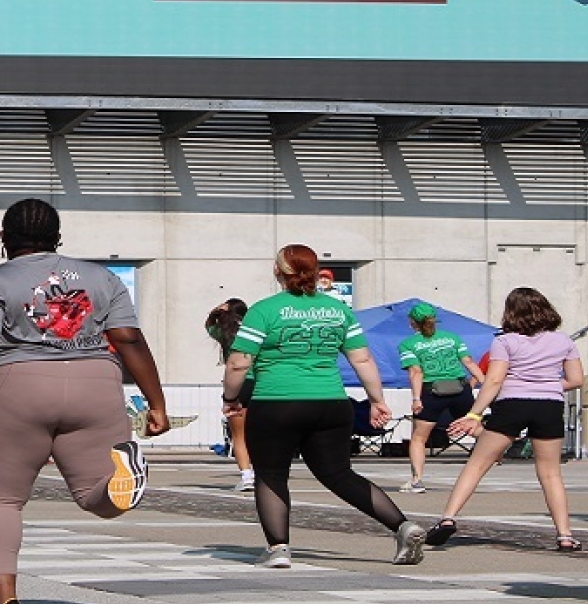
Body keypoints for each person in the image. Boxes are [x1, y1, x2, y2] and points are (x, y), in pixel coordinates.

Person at [0, 199, 168, 604]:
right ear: (58, 240)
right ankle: (121, 484)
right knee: (94, 496)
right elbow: (130, 339)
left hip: (20, 384)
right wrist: (157, 403)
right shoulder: (100, 278)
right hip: (96, 383)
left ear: (3, 239)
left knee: (2, 499)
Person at [223, 244, 427, 569]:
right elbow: (362, 358)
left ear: (278, 272)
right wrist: (377, 400)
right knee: (339, 474)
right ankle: (402, 526)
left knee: (272, 474)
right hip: (331, 403)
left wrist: (231, 399)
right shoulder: (339, 311)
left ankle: (278, 549)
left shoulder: (264, 310)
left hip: (278, 403)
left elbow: (238, 363)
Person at [421, 288, 584, 551]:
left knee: (477, 464)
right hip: (550, 405)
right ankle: (564, 535)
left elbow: (494, 380)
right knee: (551, 473)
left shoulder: (505, 342)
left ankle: (448, 518)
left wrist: (474, 413)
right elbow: (576, 380)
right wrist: (546, 385)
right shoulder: (564, 341)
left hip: (512, 403)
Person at [397, 303, 483, 494]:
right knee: (475, 428)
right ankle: (499, 445)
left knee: (419, 438)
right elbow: (468, 362)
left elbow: (415, 372)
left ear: (412, 322)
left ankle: (417, 480)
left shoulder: (408, 344)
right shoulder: (452, 338)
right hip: (459, 388)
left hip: (432, 391)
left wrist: (416, 398)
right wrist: (485, 384)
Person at [205, 299, 254, 491]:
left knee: (238, 435)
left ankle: (247, 476)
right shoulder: (254, 331)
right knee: (259, 433)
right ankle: (264, 473)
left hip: (236, 384)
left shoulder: (225, 333)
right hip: (260, 383)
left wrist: (217, 310)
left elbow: (208, 323)